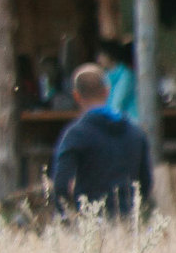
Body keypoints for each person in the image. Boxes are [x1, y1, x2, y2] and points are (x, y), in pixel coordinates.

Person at [50, 62, 152, 216]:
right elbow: (146, 181)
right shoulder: (136, 132)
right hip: (127, 220)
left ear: (76, 95)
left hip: (90, 218)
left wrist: (67, 215)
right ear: (107, 91)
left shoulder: (75, 135)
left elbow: (61, 184)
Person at [100, 42, 138, 117]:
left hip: (130, 120)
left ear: (111, 56)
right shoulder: (106, 75)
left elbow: (117, 103)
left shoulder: (126, 75)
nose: (99, 59)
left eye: (102, 55)